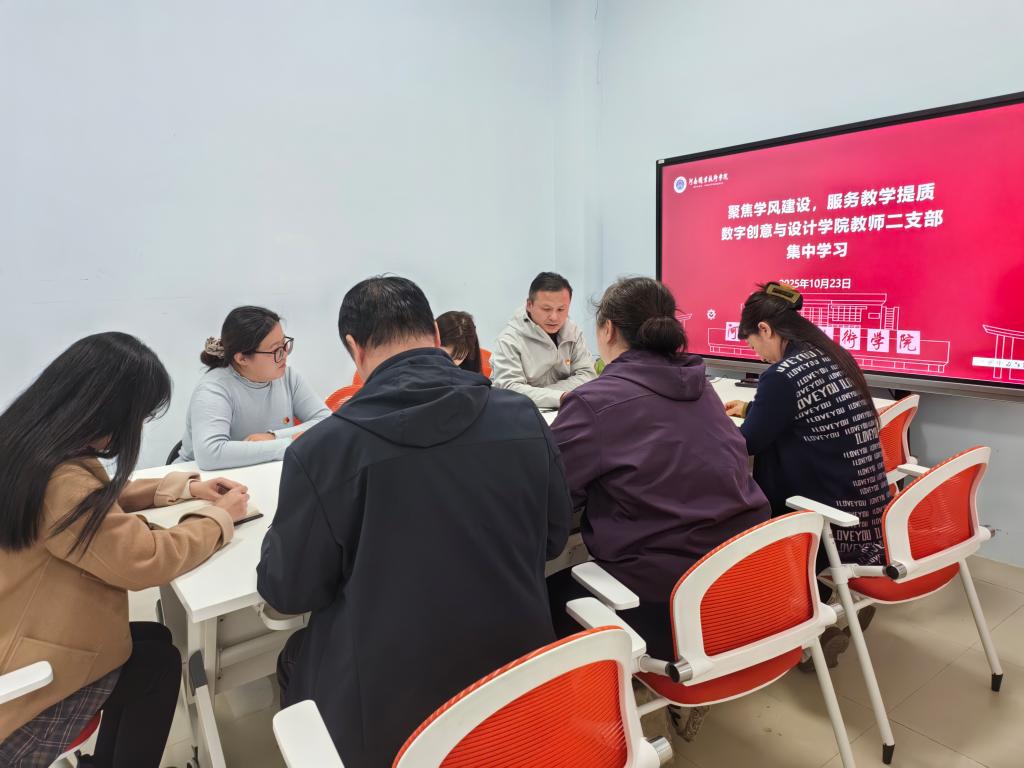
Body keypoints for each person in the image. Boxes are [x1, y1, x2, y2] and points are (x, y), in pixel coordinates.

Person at [257, 276, 571, 767]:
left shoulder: (322, 452)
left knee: (296, 656)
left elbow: (289, 591)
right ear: (435, 334)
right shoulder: (522, 417)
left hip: (392, 726)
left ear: (354, 348)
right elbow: (554, 540)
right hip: (515, 690)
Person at [0, 332, 249, 768]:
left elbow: (97, 499)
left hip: (21, 630)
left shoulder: (28, 445)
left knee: (154, 640)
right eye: (140, 416)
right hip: (24, 691)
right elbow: (145, 559)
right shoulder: (62, 482)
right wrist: (218, 519)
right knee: (158, 667)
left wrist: (184, 488)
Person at [549, 277, 771, 659]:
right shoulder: (702, 387)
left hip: (669, 605)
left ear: (607, 329)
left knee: (538, 600)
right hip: (747, 584)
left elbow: (549, 493)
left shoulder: (594, 402)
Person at [724, 282, 889, 664]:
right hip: (867, 510)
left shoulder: (781, 375)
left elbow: (749, 442)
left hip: (825, 513)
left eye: (753, 344)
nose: (758, 355)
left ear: (765, 329)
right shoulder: (832, 355)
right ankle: (832, 603)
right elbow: (807, 412)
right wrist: (750, 410)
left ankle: (807, 622)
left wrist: (710, 428)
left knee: (740, 505)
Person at [177, 306, 331, 470]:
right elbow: (210, 454)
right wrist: (289, 445)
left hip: (265, 472)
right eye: (276, 350)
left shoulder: (288, 377)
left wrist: (273, 437)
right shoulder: (213, 389)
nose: (285, 354)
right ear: (242, 358)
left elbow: (327, 421)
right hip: (198, 478)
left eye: (284, 344)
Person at [490, 272, 596, 408]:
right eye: (546, 309)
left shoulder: (573, 332)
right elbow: (510, 389)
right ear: (529, 305)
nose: (554, 317)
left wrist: (551, 396)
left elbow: (587, 375)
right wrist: (559, 397)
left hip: (563, 407)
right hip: (521, 412)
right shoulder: (509, 339)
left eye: (561, 309)